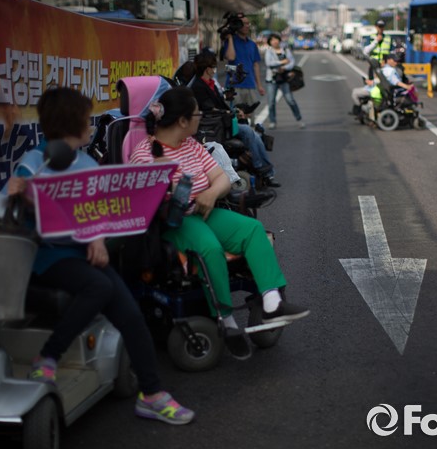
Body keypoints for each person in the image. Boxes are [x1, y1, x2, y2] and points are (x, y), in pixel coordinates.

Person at [6, 87, 194, 425]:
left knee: (131, 314)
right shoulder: (34, 162)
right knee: (100, 287)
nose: (91, 125)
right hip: (49, 255)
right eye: (86, 118)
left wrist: (96, 239)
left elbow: (96, 212)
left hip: (81, 252)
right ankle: (48, 358)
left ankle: (151, 394)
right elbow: (22, 203)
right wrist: (18, 191)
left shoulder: (87, 162)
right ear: (72, 123)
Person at [129, 86, 309, 360]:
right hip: (175, 222)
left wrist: (211, 194)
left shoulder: (192, 145)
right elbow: (148, 203)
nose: (200, 117)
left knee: (253, 229)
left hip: (207, 210)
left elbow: (222, 178)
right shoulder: (145, 155)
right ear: (182, 121)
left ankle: (272, 303)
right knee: (209, 248)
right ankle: (226, 319)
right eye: (197, 114)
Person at [190, 52, 281, 187]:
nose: (215, 69)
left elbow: (219, 103)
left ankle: (267, 172)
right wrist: (229, 113)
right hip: (214, 125)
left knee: (256, 134)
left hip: (223, 121)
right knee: (247, 131)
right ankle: (259, 167)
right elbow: (209, 108)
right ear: (207, 69)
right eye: (213, 66)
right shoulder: (198, 86)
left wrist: (232, 108)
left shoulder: (211, 84)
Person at [221, 12, 265, 107]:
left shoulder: (252, 44)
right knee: (234, 114)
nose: (247, 26)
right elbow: (231, 57)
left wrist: (259, 85)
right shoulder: (230, 41)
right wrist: (230, 38)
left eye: (248, 23)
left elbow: (256, 65)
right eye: (244, 23)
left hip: (250, 84)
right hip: (233, 85)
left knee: (250, 114)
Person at [264, 33, 305, 130]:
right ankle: (272, 121)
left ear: (279, 40)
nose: (275, 41)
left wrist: (284, 68)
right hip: (272, 79)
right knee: (271, 102)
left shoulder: (286, 50)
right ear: (270, 42)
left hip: (284, 79)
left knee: (290, 100)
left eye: (276, 39)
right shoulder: (269, 52)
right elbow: (269, 63)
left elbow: (291, 62)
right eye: (272, 40)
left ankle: (299, 119)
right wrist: (282, 62)